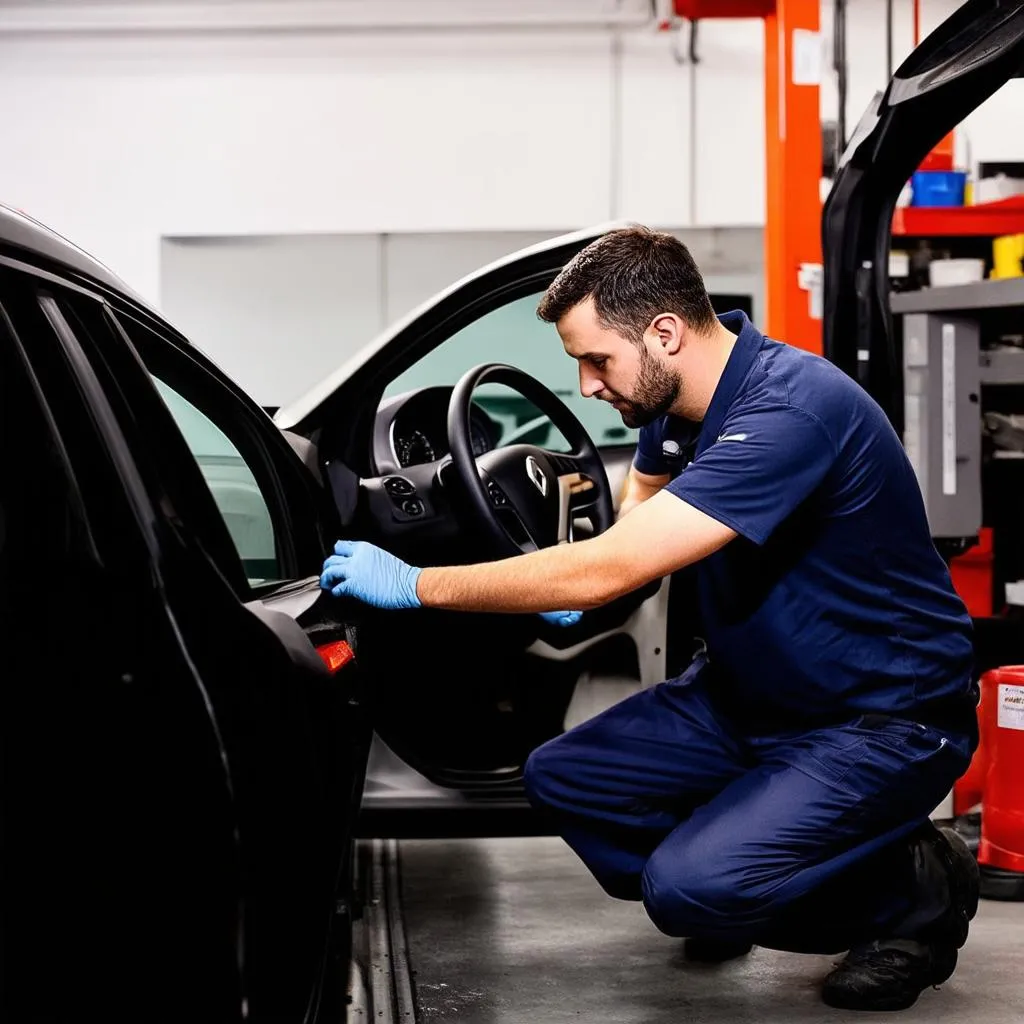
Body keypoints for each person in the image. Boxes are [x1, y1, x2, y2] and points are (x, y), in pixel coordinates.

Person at [319, 226, 980, 1012]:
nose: (589, 386)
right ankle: (768, 853)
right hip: (751, 695)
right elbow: (637, 514)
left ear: (664, 332)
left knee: (690, 892)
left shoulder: (790, 411)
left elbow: (614, 564)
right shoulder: (675, 400)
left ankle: (914, 890)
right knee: (565, 778)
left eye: (597, 359)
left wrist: (419, 582)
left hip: (880, 716)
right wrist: (594, 569)